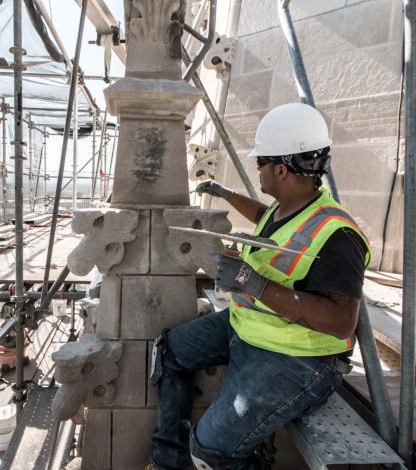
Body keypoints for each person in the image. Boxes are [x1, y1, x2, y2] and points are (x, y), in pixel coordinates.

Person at [147, 103, 371, 470]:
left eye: (260, 165)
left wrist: (252, 282)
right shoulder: (288, 205)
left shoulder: (338, 236)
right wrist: (226, 194)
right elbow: (262, 216)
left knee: (210, 450)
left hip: (299, 358)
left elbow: (341, 321)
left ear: (280, 168)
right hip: (251, 327)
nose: (259, 172)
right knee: (171, 350)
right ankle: (167, 457)